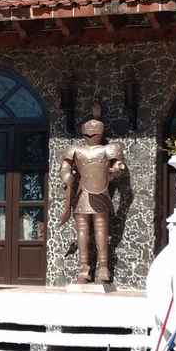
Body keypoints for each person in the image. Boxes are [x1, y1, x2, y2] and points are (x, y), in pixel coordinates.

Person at [60, 113, 126, 283]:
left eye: (94, 132)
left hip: (101, 193)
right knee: (82, 230)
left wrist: (116, 169)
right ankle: (84, 267)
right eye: (88, 132)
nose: (91, 134)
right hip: (82, 193)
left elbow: (119, 166)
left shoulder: (108, 149)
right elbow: (64, 167)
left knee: (101, 230)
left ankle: (103, 267)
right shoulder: (75, 149)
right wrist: (66, 176)